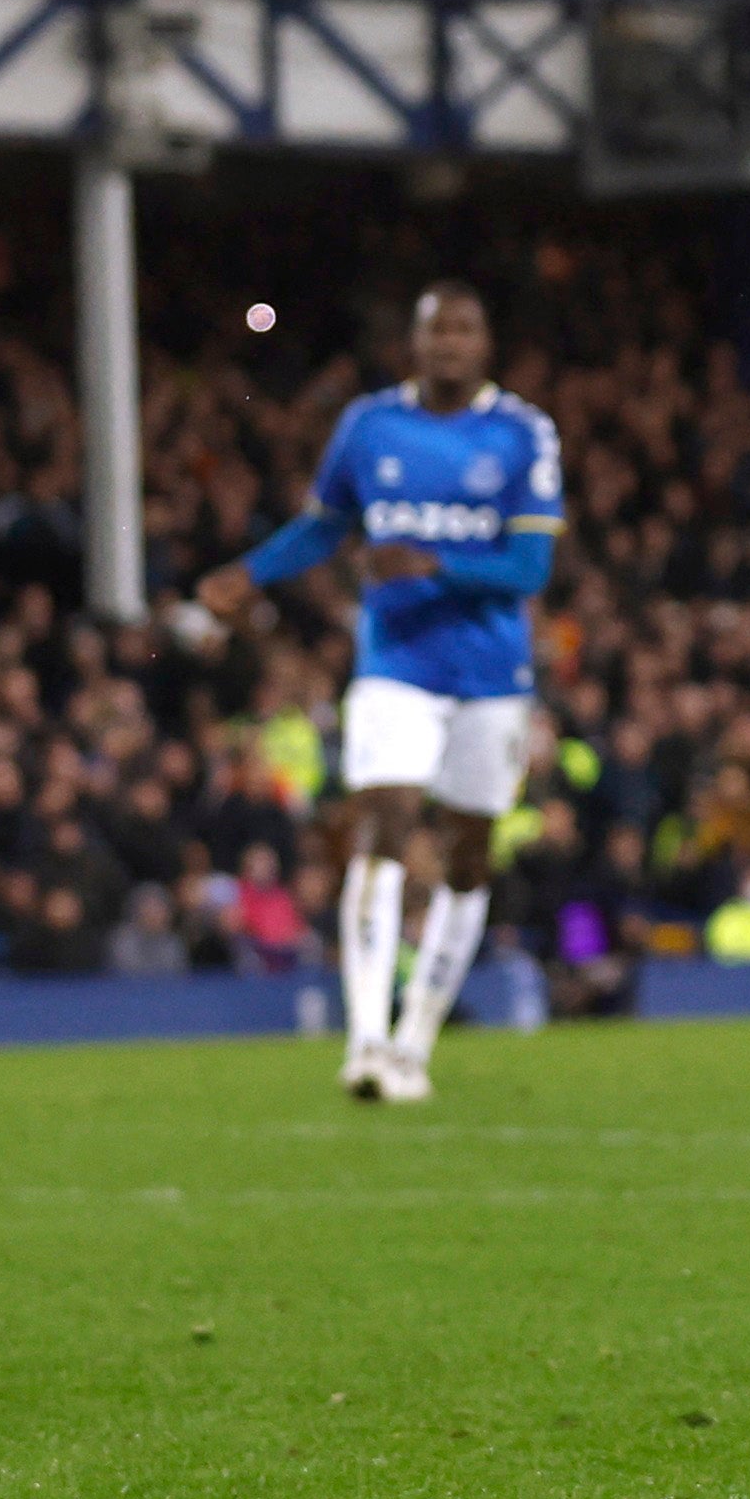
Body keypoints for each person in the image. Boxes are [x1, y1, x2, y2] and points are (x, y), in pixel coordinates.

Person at [196, 284, 561, 1102]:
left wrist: (435, 564)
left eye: (465, 329)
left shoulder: (522, 433)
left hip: (491, 675)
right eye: (436, 330)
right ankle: (364, 1041)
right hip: (395, 662)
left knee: (469, 851)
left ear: (485, 343)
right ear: (416, 342)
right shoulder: (368, 425)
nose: (449, 344)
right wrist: (247, 572)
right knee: (383, 819)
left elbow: (530, 568)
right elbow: (327, 524)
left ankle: (414, 1040)